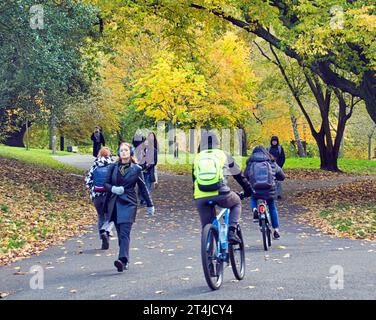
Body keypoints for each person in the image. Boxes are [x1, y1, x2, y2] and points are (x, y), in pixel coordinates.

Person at [192, 131, 252, 244]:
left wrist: (196, 196)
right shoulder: (223, 155)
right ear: (217, 143)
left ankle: (208, 251)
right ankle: (231, 232)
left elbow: (194, 179)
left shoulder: (197, 157)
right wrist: (248, 190)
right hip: (221, 193)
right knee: (236, 202)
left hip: (201, 196)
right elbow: (238, 175)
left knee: (206, 226)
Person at [104, 142, 155, 272]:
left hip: (129, 203)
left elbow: (143, 187)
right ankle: (124, 261)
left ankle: (122, 260)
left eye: (126, 150)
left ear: (130, 153)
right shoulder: (113, 167)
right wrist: (113, 189)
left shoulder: (136, 169)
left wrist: (150, 204)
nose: (124, 152)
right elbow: (106, 184)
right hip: (115, 203)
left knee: (125, 232)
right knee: (121, 233)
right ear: (118, 153)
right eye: (121, 150)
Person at [245, 146, 285, 239]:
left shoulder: (250, 163)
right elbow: (282, 176)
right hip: (269, 189)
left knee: (253, 196)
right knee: (272, 207)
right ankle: (276, 230)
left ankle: (255, 209)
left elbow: (245, 176)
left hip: (256, 189)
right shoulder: (271, 162)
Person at [85, 147, 116, 250]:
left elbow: (88, 181)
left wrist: (93, 190)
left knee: (100, 216)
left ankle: (103, 240)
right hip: (109, 195)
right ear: (109, 155)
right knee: (111, 216)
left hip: (97, 196)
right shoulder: (113, 164)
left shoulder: (95, 165)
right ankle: (106, 231)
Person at [138, 132, 158, 205]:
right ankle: (142, 198)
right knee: (141, 186)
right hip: (141, 171)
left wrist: (148, 165)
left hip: (149, 171)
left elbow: (155, 161)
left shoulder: (154, 151)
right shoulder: (141, 151)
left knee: (147, 186)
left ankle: (146, 200)